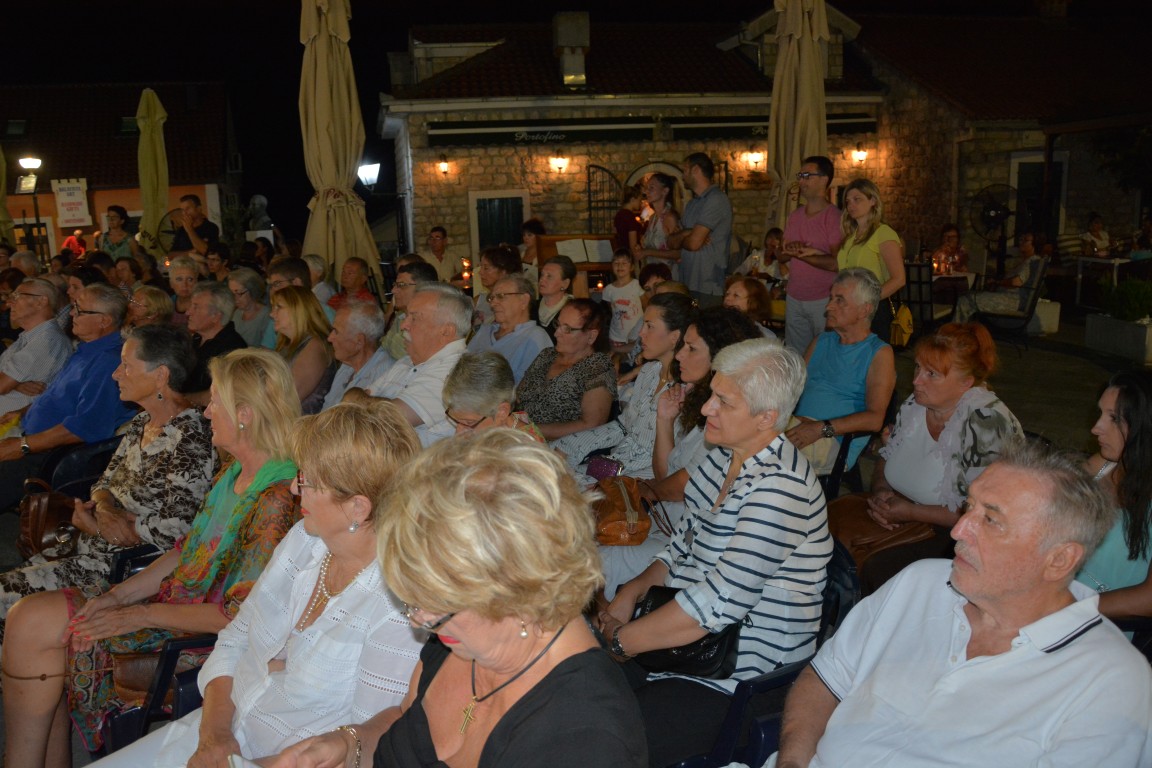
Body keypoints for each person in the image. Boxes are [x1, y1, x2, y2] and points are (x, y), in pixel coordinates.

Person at [262, 429, 647, 767]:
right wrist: (350, 745)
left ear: (519, 592)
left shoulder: (585, 740)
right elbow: (404, 720)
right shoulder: (456, 641)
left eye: (436, 606)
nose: (418, 620)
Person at [1, 347, 303, 763]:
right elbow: (185, 552)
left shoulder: (276, 498)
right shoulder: (234, 472)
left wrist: (139, 615)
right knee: (31, 624)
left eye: (215, 401)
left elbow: (237, 617)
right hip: (173, 609)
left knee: (35, 629)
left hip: (205, 640)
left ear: (245, 414)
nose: (207, 411)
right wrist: (117, 597)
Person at [87, 400, 426, 767]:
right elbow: (234, 638)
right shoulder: (305, 541)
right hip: (221, 728)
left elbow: (364, 744)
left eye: (307, 480)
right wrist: (215, 736)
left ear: (358, 507)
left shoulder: (397, 604)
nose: (294, 488)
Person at [774, 443, 1152, 768]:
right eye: (968, 507)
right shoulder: (920, 583)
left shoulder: (1111, 681)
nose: (958, 530)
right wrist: (792, 761)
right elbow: (825, 680)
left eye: (990, 519)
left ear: (1059, 560)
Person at [598, 338, 831, 767]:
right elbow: (682, 544)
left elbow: (717, 603)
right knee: (574, 693)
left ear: (767, 418)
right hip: (686, 644)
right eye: (712, 395)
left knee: (608, 742)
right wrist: (631, 591)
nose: (706, 408)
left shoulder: (781, 488)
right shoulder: (723, 458)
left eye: (723, 401)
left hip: (738, 673)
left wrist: (619, 640)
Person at [0, 324, 217, 638]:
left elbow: (179, 528)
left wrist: (107, 527)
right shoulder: (142, 422)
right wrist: (103, 510)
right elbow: (103, 485)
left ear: (160, 375)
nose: (116, 374)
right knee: (8, 586)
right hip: (88, 546)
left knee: (6, 596)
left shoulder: (189, 437)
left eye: (126, 365)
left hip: (124, 568)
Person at [598, 306, 765, 597]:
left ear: (720, 356)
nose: (678, 356)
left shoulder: (730, 418)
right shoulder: (698, 400)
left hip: (694, 545)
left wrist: (641, 490)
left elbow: (681, 487)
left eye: (691, 348)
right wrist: (664, 420)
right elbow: (667, 473)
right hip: (669, 524)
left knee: (599, 558)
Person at [848, 322, 1022, 594]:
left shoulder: (986, 423)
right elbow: (888, 455)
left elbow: (985, 515)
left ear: (966, 383)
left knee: (877, 570)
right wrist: (881, 492)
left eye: (931, 374)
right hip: (903, 513)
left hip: (960, 537)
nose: (916, 380)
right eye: (917, 368)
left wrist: (910, 512)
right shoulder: (917, 403)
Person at [0, 283, 136, 511]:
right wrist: (22, 412)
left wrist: (22, 446)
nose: (72, 313)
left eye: (80, 310)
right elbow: (59, 397)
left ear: (104, 320)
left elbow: (82, 427)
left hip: (48, 456)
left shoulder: (108, 362)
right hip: (32, 440)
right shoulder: (86, 351)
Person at [552, 293, 695, 478]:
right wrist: (567, 446)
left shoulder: (685, 392)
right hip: (614, 464)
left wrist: (611, 483)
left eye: (650, 326)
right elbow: (622, 427)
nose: (641, 333)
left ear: (674, 336)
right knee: (546, 463)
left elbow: (668, 468)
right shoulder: (649, 372)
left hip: (641, 479)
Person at [786, 268, 896, 476]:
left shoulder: (879, 353)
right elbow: (792, 389)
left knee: (763, 453)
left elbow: (875, 419)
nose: (828, 306)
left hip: (832, 440)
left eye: (839, 300)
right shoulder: (821, 341)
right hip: (799, 426)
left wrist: (821, 428)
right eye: (831, 298)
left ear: (864, 310)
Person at [1077, 370, 1152, 617]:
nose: (1096, 428)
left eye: (1114, 418)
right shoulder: (1103, 465)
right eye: (1100, 414)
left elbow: (1148, 599)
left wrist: (1068, 610)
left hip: (1100, 622)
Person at [368, 283, 470, 446]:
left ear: (446, 331)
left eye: (414, 318)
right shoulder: (406, 361)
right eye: (406, 316)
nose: (403, 325)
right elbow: (354, 402)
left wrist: (359, 398)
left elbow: (388, 418)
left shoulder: (458, 371)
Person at [515, 298, 616, 441]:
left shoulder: (598, 367)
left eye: (567, 329)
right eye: (558, 324)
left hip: (559, 446)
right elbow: (519, 396)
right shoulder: (547, 355)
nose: (556, 333)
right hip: (520, 436)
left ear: (591, 336)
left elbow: (592, 425)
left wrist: (529, 430)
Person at [0, 279, 72, 437]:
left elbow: (2, 385)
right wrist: (15, 385)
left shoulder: (48, 340)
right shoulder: (29, 337)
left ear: (41, 301)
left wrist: (9, 383)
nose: (9, 302)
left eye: (17, 296)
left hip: (12, 431)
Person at [837, 178, 905, 342]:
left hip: (872, 309)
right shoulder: (850, 237)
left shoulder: (883, 233)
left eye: (857, 199)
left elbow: (899, 279)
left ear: (873, 200)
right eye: (848, 201)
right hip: (848, 307)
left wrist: (867, 302)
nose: (851, 205)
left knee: (871, 355)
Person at [668, 152, 732, 305]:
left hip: (707, 285)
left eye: (685, 170)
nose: (682, 175)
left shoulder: (716, 199)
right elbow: (671, 242)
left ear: (696, 170)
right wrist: (688, 232)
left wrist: (686, 236)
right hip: (687, 283)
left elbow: (693, 244)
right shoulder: (692, 204)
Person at [466, 273, 552, 383]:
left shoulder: (536, 337)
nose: (493, 304)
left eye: (501, 296)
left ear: (524, 300)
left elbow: (530, 387)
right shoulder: (484, 331)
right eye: (491, 298)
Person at [442, 351, 545, 439]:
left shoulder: (524, 450)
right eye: (456, 421)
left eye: (469, 423)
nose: (458, 432)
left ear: (502, 412)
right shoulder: (488, 427)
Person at [270, 285, 336, 415]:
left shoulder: (316, 346)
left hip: (304, 424)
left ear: (298, 310)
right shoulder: (286, 345)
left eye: (279, 307)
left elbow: (290, 396)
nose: (272, 314)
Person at [953, 231, 1046, 323]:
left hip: (1012, 301)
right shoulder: (1027, 261)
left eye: (1025, 240)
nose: (1021, 242)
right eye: (1021, 239)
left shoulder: (1032, 262)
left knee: (966, 300)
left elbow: (1015, 282)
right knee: (969, 296)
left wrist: (997, 282)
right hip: (1008, 298)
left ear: (1035, 244)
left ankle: (955, 330)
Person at [183, 281, 248, 406]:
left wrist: (181, 400)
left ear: (216, 316)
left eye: (196, 307)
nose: (188, 312)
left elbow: (224, 394)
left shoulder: (232, 349)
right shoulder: (196, 339)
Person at [322, 300, 393, 410]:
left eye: (336, 331)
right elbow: (326, 408)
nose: (330, 338)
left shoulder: (384, 375)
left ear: (359, 341)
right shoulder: (347, 365)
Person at [382, 260, 437, 361]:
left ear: (423, 288)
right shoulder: (400, 316)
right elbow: (383, 349)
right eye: (395, 284)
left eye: (401, 285)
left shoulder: (431, 324)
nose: (393, 290)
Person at [633, 172, 682, 280]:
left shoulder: (669, 218)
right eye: (647, 188)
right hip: (653, 276)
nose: (647, 191)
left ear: (665, 191)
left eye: (651, 188)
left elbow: (678, 253)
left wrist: (647, 252)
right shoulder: (652, 218)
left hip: (667, 277)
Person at [602, 249, 646, 356]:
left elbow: (646, 306)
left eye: (624, 263)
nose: (620, 266)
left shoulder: (637, 285)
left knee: (635, 359)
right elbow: (612, 309)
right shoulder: (608, 289)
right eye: (616, 263)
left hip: (636, 334)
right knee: (617, 359)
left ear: (631, 267)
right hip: (617, 335)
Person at [473, 244, 522, 327]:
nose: (480, 272)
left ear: (503, 271)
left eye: (486, 268)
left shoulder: (514, 303)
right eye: (481, 267)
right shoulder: (478, 300)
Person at [228, 267, 271, 347]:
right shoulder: (236, 313)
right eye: (231, 293)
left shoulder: (267, 316)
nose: (234, 298)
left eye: (239, 293)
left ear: (253, 290)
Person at [169, 193, 220, 258]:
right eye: (182, 210)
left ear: (199, 209)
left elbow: (206, 251)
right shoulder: (181, 230)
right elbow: (170, 255)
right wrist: (189, 253)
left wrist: (189, 230)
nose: (184, 213)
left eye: (187, 209)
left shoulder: (211, 227)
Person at [537, 254, 575, 339]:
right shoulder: (530, 306)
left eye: (549, 276)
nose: (542, 279)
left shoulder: (573, 311)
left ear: (565, 284)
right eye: (542, 275)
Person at [167, 255, 199, 326]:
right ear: (171, 283)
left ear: (196, 282)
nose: (184, 284)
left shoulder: (202, 306)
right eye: (179, 279)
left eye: (190, 279)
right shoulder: (167, 305)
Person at [615, 185, 645, 254]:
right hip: (629, 254)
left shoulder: (619, 214)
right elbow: (633, 245)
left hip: (621, 252)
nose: (641, 203)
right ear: (632, 200)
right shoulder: (630, 217)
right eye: (639, 200)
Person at [519, 217, 546, 285]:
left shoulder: (543, 255)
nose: (526, 238)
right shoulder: (521, 252)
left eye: (530, 235)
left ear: (538, 236)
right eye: (524, 235)